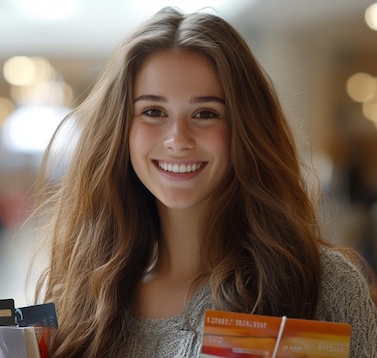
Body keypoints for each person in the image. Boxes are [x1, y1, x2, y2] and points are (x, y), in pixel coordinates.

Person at [28, 6, 377, 357]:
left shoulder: (323, 285)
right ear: (120, 130)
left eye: (206, 113)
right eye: (154, 112)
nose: (178, 138)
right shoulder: (83, 298)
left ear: (245, 128)